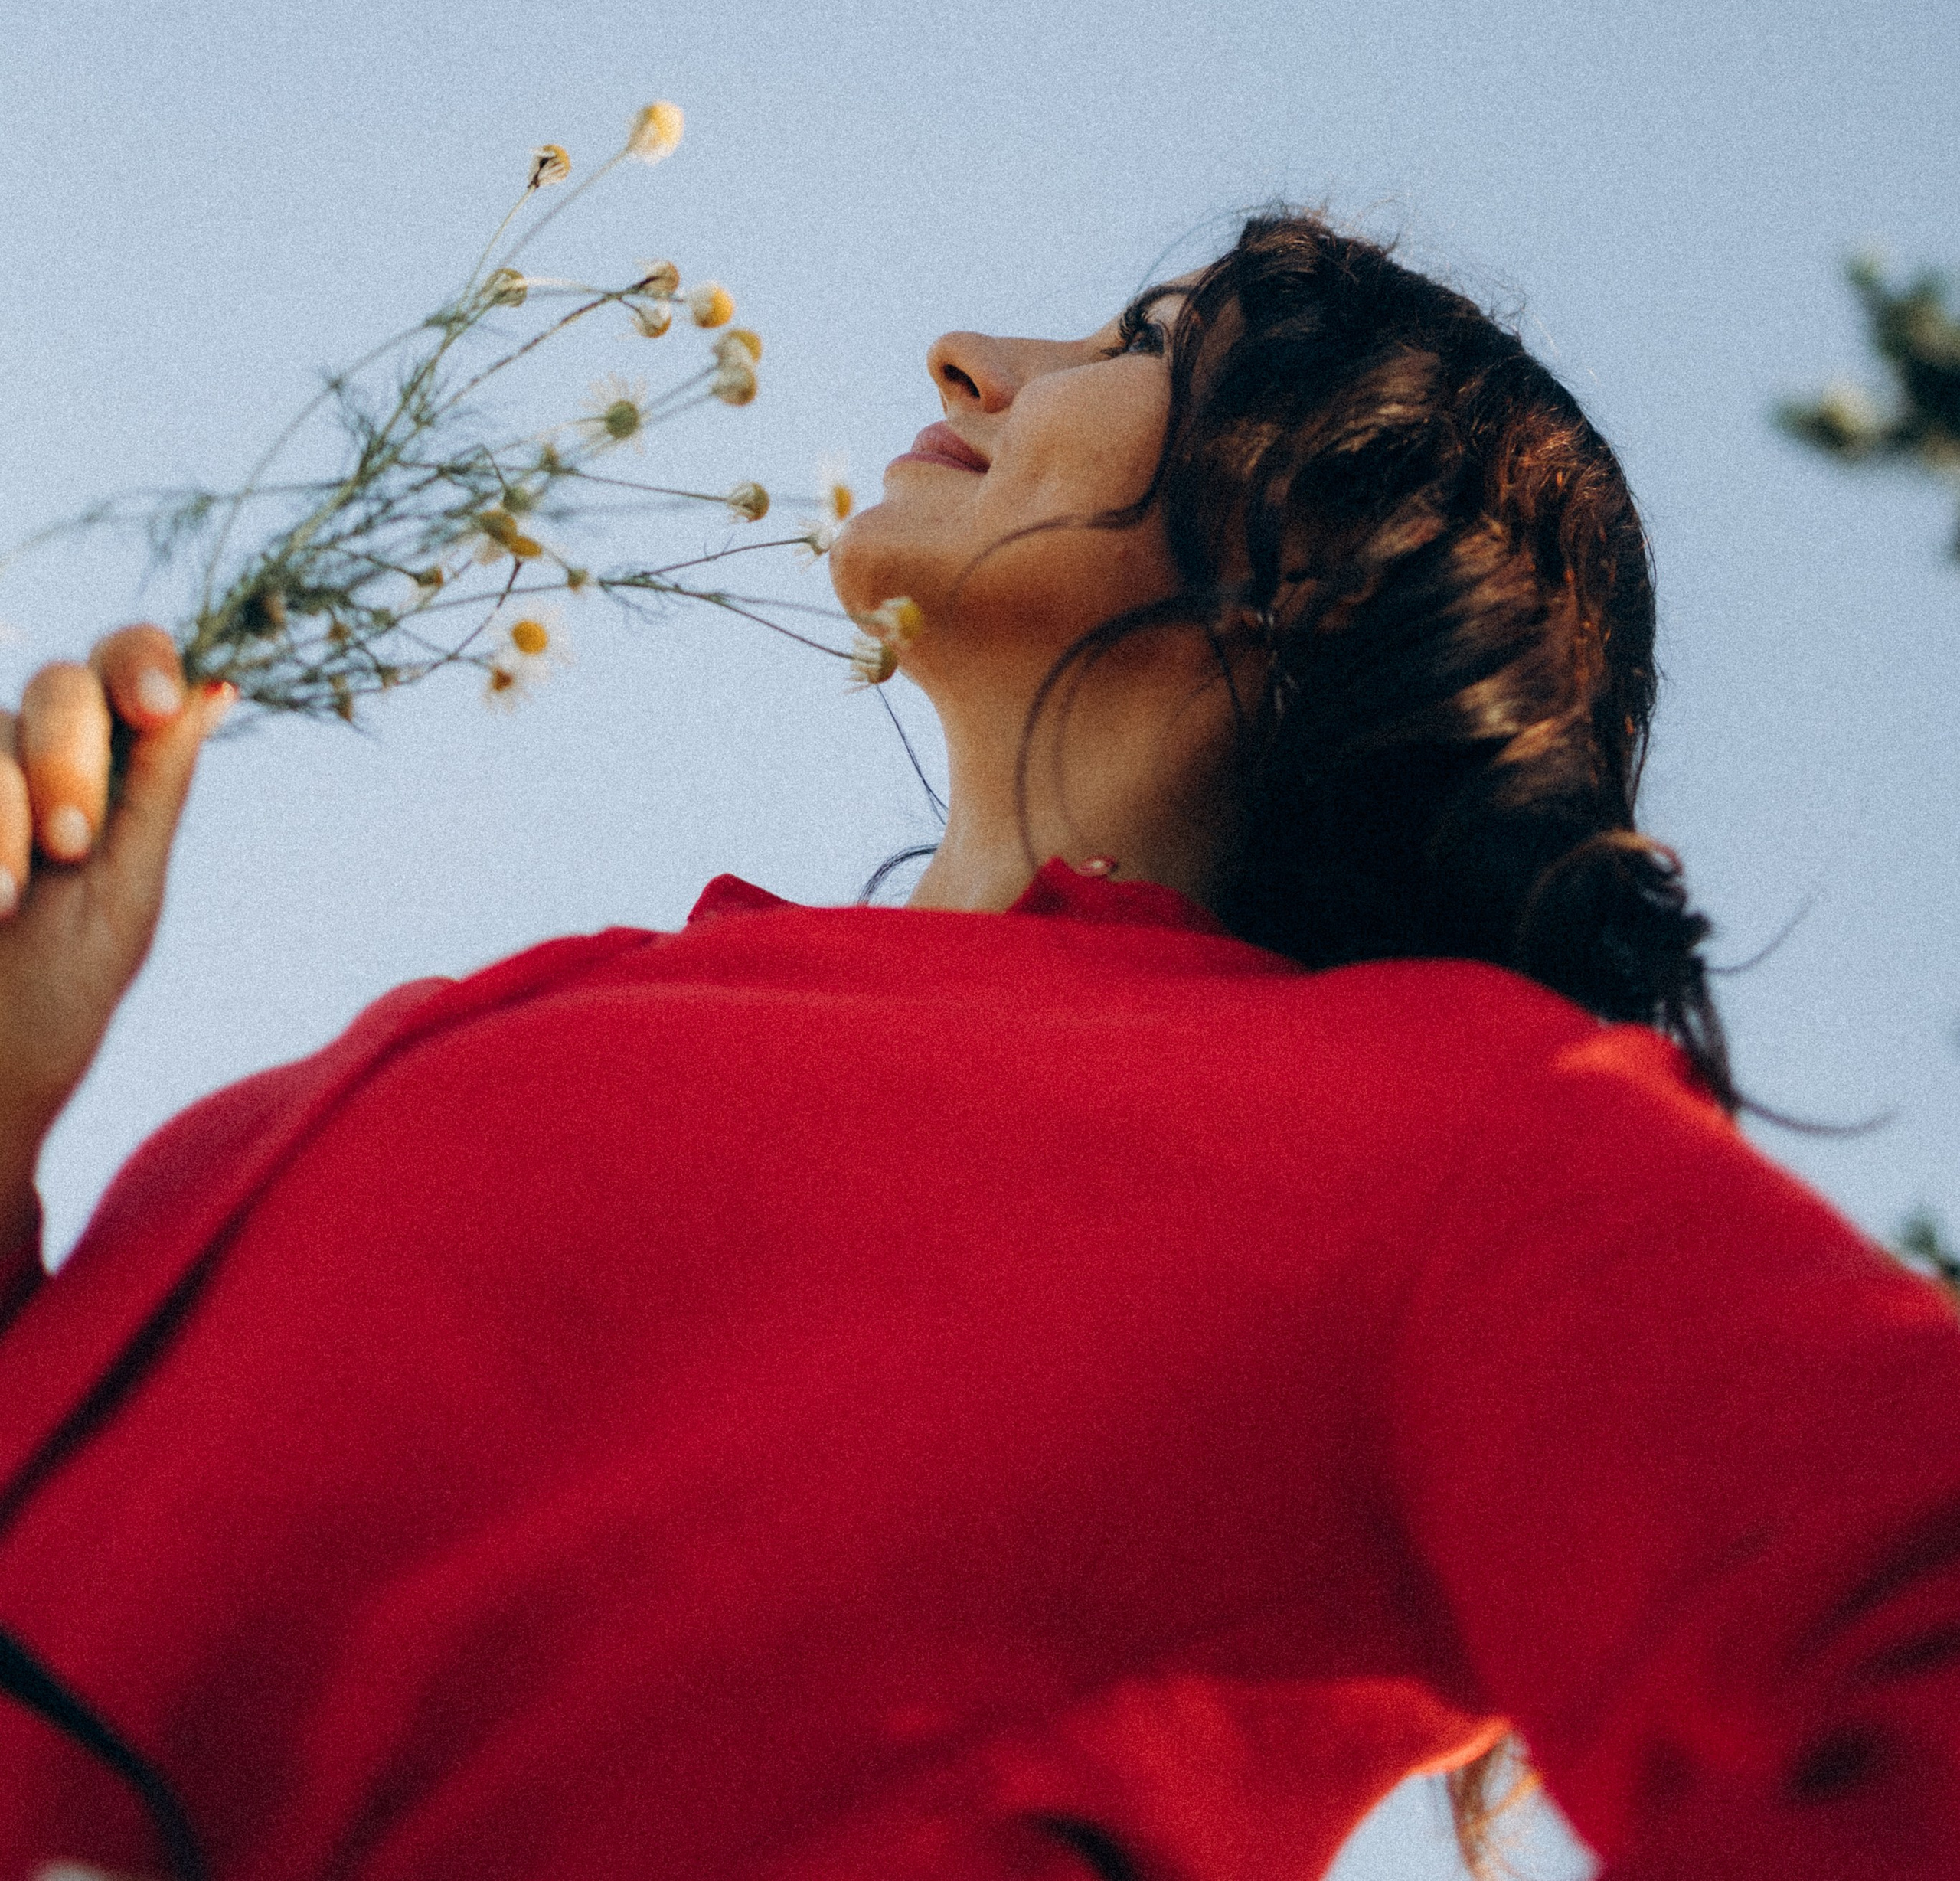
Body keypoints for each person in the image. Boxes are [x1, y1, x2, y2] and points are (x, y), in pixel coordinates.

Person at [0, 209, 1956, 1881]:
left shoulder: (1444, 1129)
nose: (967, 354)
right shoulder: (563, 995)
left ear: (1322, 529)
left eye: (1148, 341)